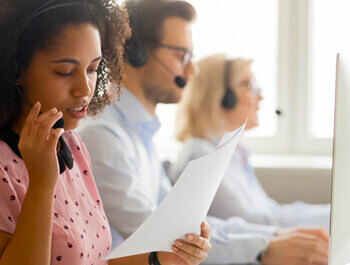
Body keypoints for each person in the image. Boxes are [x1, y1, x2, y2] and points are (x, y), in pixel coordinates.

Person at [80, 1, 329, 264]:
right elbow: (164, 237)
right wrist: (263, 248)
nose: (192, 70)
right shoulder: (104, 137)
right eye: (181, 55)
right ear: (136, 52)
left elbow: (186, 224)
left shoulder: (139, 135)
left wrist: (272, 239)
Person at [0, 1, 211, 265]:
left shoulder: (73, 145)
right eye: (65, 72)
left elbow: (94, 259)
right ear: (17, 69)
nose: (84, 89)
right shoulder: (3, 168)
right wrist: (41, 186)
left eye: (92, 69)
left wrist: (161, 258)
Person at [171, 53, 331, 229]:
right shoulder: (200, 155)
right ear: (222, 96)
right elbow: (250, 222)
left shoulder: (234, 153)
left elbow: (271, 211)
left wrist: (333, 213)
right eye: (249, 85)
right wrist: (334, 218)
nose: (260, 97)